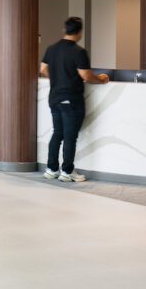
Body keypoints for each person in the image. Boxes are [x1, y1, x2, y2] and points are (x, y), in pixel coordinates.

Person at [39, 16, 109, 183]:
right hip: (71, 99)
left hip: (54, 98)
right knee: (70, 137)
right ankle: (67, 171)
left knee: (57, 134)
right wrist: (101, 80)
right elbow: (85, 75)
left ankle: (51, 169)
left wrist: (57, 79)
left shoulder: (51, 48)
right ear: (79, 33)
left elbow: (43, 69)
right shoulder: (79, 52)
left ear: (65, 30)